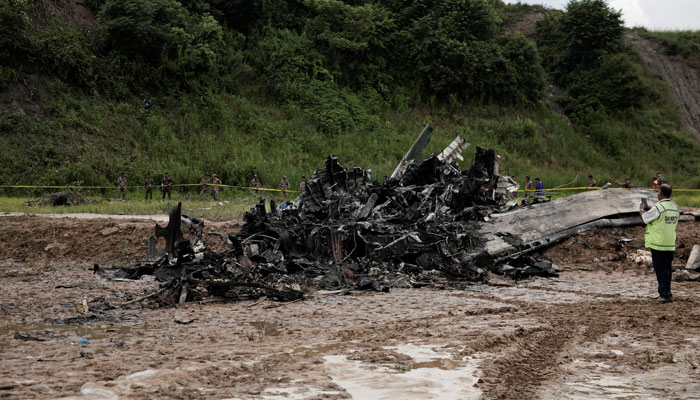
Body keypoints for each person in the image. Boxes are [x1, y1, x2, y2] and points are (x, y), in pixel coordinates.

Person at [640, 184, 679, 303]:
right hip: (670, 244)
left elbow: (646, 219)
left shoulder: (659, 207)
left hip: (658, 244)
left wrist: (642, 210)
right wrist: (652, 209)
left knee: (660, 270)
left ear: (661, 194)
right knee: (667, 270)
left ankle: (663, 294)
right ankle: (667, 292)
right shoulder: (674, 207)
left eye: (658, 192)